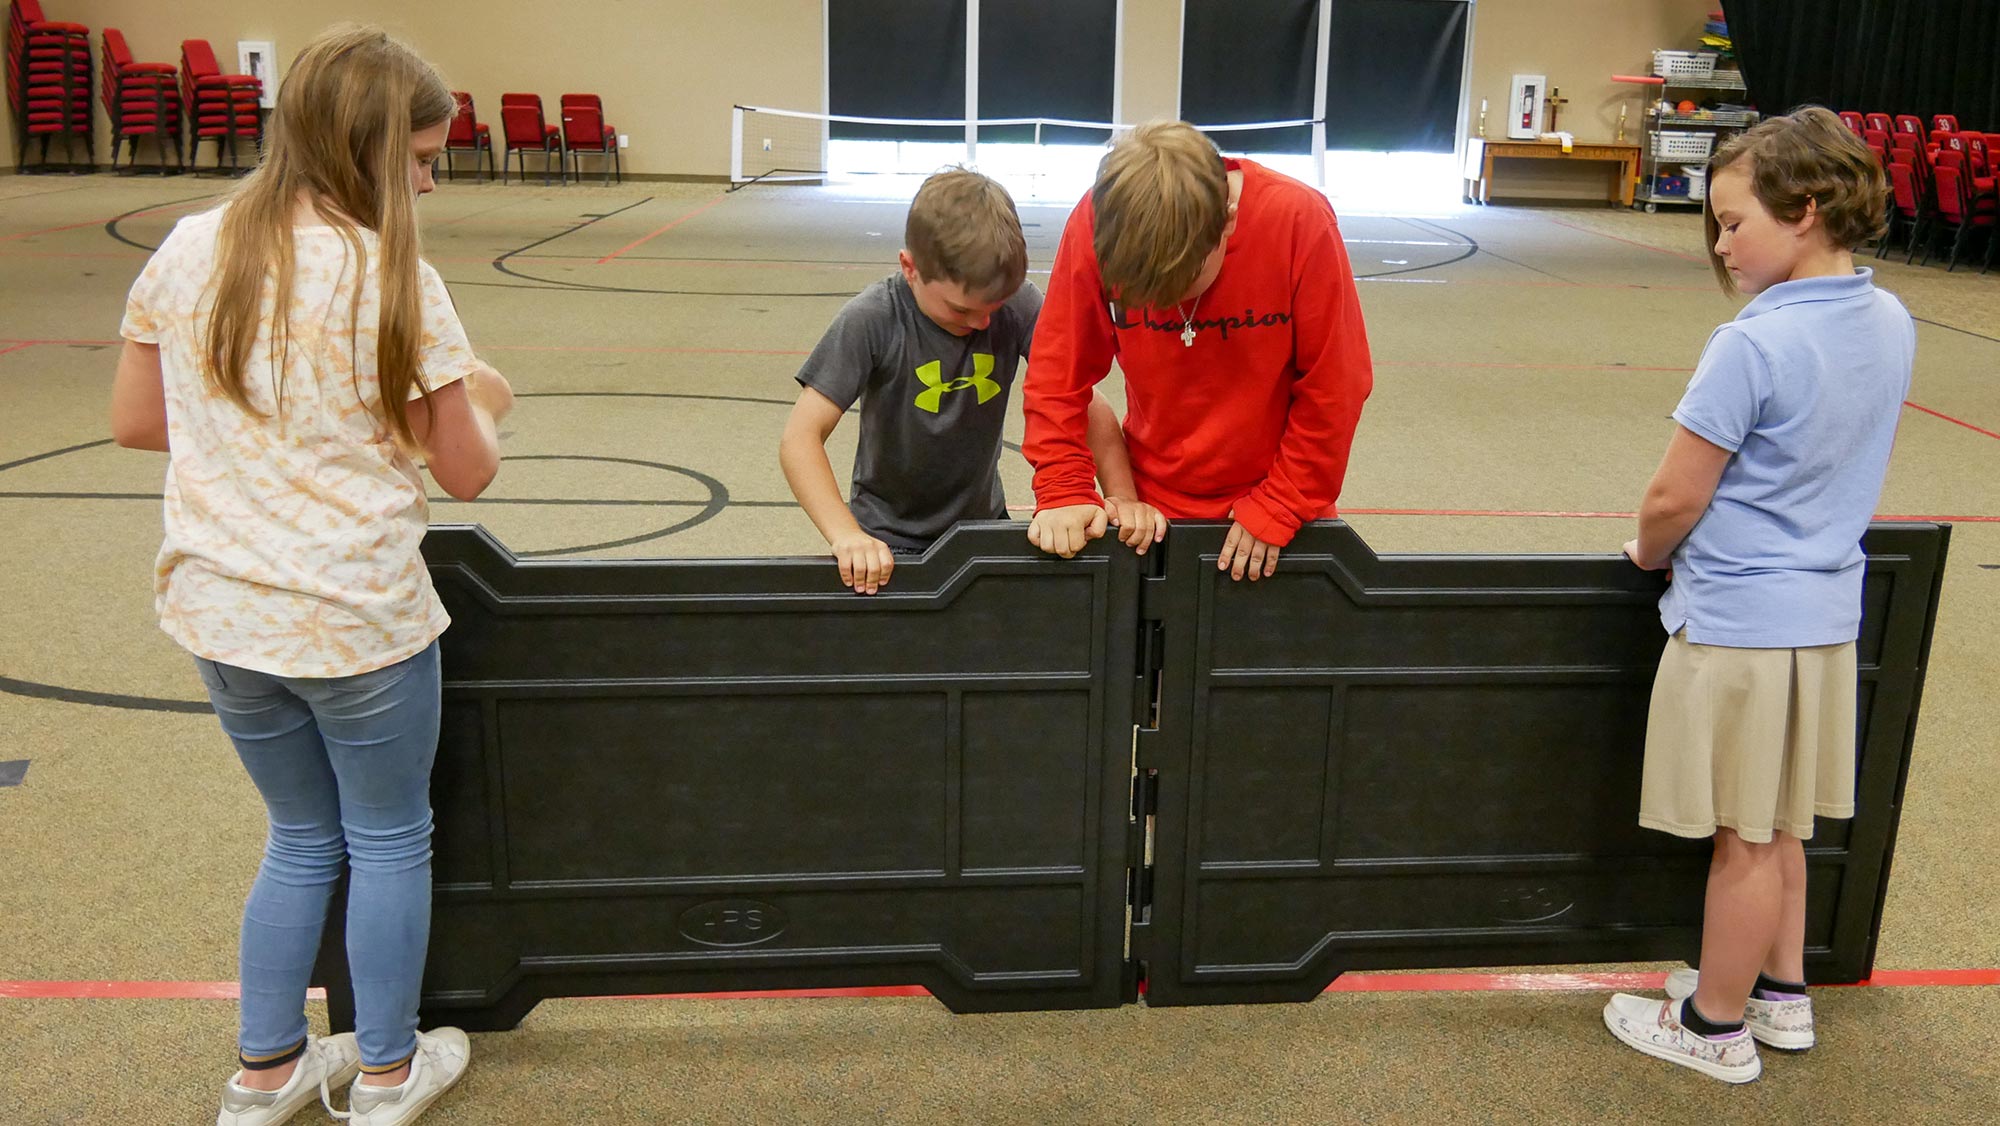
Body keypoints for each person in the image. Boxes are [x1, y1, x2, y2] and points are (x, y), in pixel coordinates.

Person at [109, 25, 511, 1126]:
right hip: (357, 622)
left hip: (220, 612)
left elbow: (137, 422)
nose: (431, 178)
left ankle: (265, 1069)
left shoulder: (188, 246)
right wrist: (487, 398)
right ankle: (385, 1070)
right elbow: (467, 469)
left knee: (297, 835)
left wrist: (264, 437)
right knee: (387, 838)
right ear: (370, 156)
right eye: (420, 158)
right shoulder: (396, 276)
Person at [1600, 106, 1907, 1084]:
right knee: (1781, 823)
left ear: (1804, 210)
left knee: (1740, 834)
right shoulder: (1888, 316)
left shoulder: (1750, 342)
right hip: (1820, 616)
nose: (1720, 244)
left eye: (1734, 222)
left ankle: (1710, 1021)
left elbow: (1671, 494)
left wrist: (1648, 553)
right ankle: (1780, 994)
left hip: (1738, 618)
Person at [779, 167, 1163, 593]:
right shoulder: (871, 319)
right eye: (961, 310)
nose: (982, 321)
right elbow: (800, 438)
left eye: (994, 307)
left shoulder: (1017, 305)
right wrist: (847, 535)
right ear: (910, 268)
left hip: (984, 530)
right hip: (888, 541)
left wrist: (1123, 497)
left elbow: (1085, 402)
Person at [1020, 120, 1373, 580]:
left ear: (1228, 219)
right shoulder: (1098, 221)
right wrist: (1064, 487)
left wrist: (1281, 503)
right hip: (1150, 515)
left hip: (1281, 503)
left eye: (1184, 282)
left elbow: (1335, 388)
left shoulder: (1299, 220)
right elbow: (1057, 373)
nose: (1171, 304)